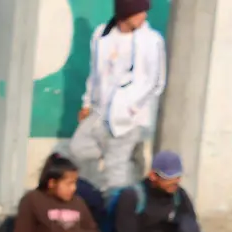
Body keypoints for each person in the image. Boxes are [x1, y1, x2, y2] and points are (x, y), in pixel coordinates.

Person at [70, 0, 166, 192]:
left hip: (128, 117)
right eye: (139, 13)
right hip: (100, 111)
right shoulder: (101, 34)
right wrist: (87, 103)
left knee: (117, 172)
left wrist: (132, 110)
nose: (144, 16)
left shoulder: (151, 40)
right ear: (125, 14)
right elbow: (94, 73)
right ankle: (110, 193)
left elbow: (156, 82)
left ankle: (117, 210)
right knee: (78, 149)